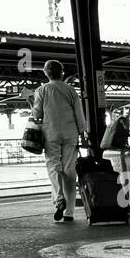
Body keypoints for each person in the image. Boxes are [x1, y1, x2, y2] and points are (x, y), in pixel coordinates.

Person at [31, 59, 86, 223]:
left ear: (46, 73)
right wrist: (82, 133)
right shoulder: (70, 90)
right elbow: (79, 114)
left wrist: (30, 104)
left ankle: (59, 197)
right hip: (71, 133)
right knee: (70, 170)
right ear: (62, 73)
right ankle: (69, 212)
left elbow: (37, 115)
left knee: (54, 166)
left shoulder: (42, 90)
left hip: (51, 133)